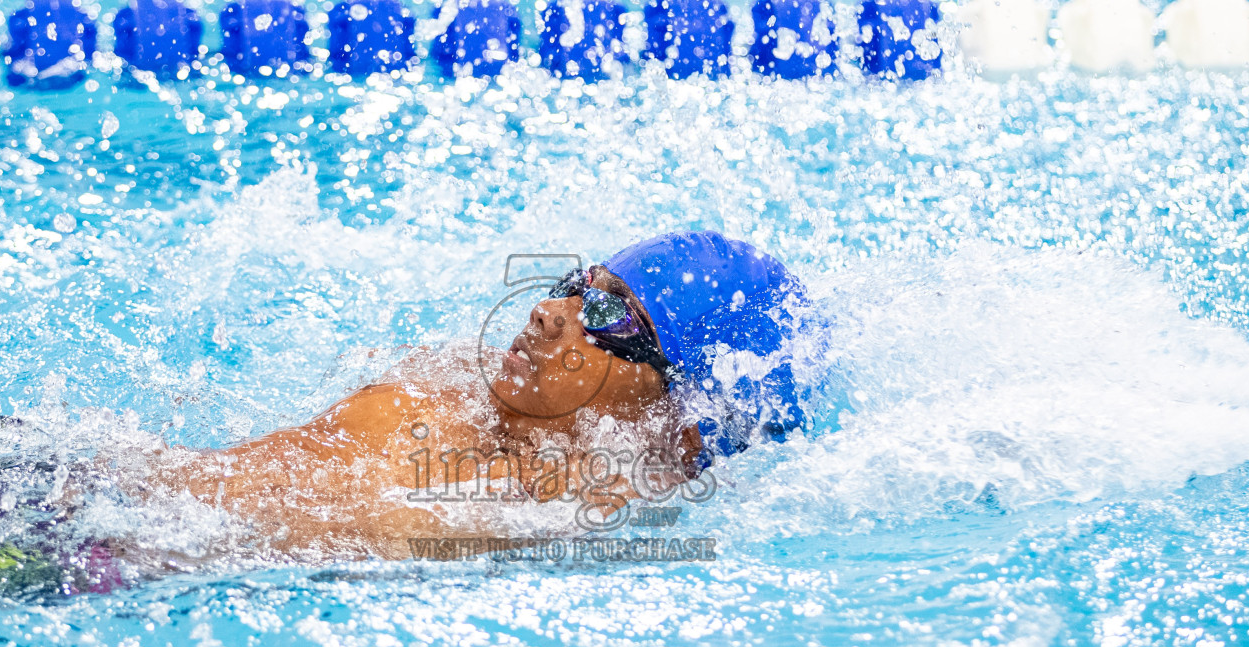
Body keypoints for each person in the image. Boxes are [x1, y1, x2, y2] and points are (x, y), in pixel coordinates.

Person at [129, 231, 816, 560]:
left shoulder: (589, 489)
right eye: (578, 286)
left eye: (609, 318)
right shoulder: (447, 403)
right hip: (97, 524)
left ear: (680, 423)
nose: (550, 309)